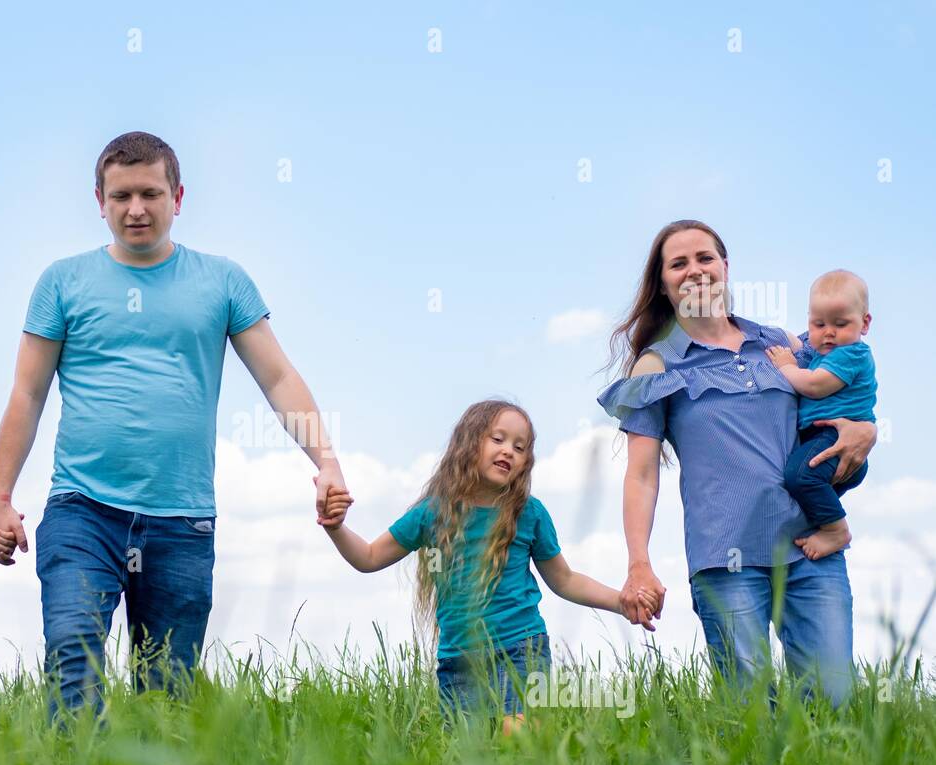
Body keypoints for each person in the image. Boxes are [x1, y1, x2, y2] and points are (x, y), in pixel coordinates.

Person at [0, 131, 350, 724]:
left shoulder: (223, 281)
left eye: (150, 193)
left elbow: (278, 378)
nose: (136, 209)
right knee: (72, 658)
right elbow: (27, 395)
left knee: (167, 696)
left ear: (178, 196)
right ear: (98, 199)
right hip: (82, 509)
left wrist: (326, 461)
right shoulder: (62, 282)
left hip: (182, 517)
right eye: (121, 195)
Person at [596, 220, 876, 706]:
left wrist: (866, 429)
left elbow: (844, 394)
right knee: (750, 714)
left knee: (834, 702)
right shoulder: (657, 365)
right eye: (678, 263)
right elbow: (641, 476)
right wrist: (639, 563)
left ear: (725, 267)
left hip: (810, 545)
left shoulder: (783, 343)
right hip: (726, 559)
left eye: (705, 258)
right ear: (663, 283)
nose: (695, 270)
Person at [317, 400, 650, 730]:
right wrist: (336, 528)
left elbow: (564, 579)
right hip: (458, 661)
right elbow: (369, 558)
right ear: (468, 443)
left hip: (521, 649)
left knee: (516, 735)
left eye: (520, 448)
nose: (509, 451)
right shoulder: (432, 514)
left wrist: (621, 602)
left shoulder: (529, 514)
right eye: (498, 439)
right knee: (469, 756)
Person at [764, 269, 877, 560]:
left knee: (799, 477)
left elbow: (815, 386)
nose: (829, 332)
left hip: (834, 437)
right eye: (819, 324)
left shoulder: (851, 354)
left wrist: (787, 368)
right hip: (827, 440)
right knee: (802, 485)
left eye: (841, 324)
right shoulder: (821, 353)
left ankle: (836, 530)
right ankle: (818, 524)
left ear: (864, 323)